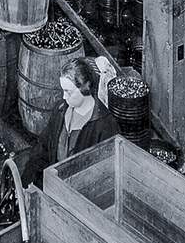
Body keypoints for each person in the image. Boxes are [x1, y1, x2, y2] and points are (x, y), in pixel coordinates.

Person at [22, 56, 119, 186]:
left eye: (69, 92)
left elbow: (103, 175)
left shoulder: (105, 125)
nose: (64, 96)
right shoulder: (61, 110)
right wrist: (26, 182)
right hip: (54, 183)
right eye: (63, 90)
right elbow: (42, 149)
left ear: (86, 87)